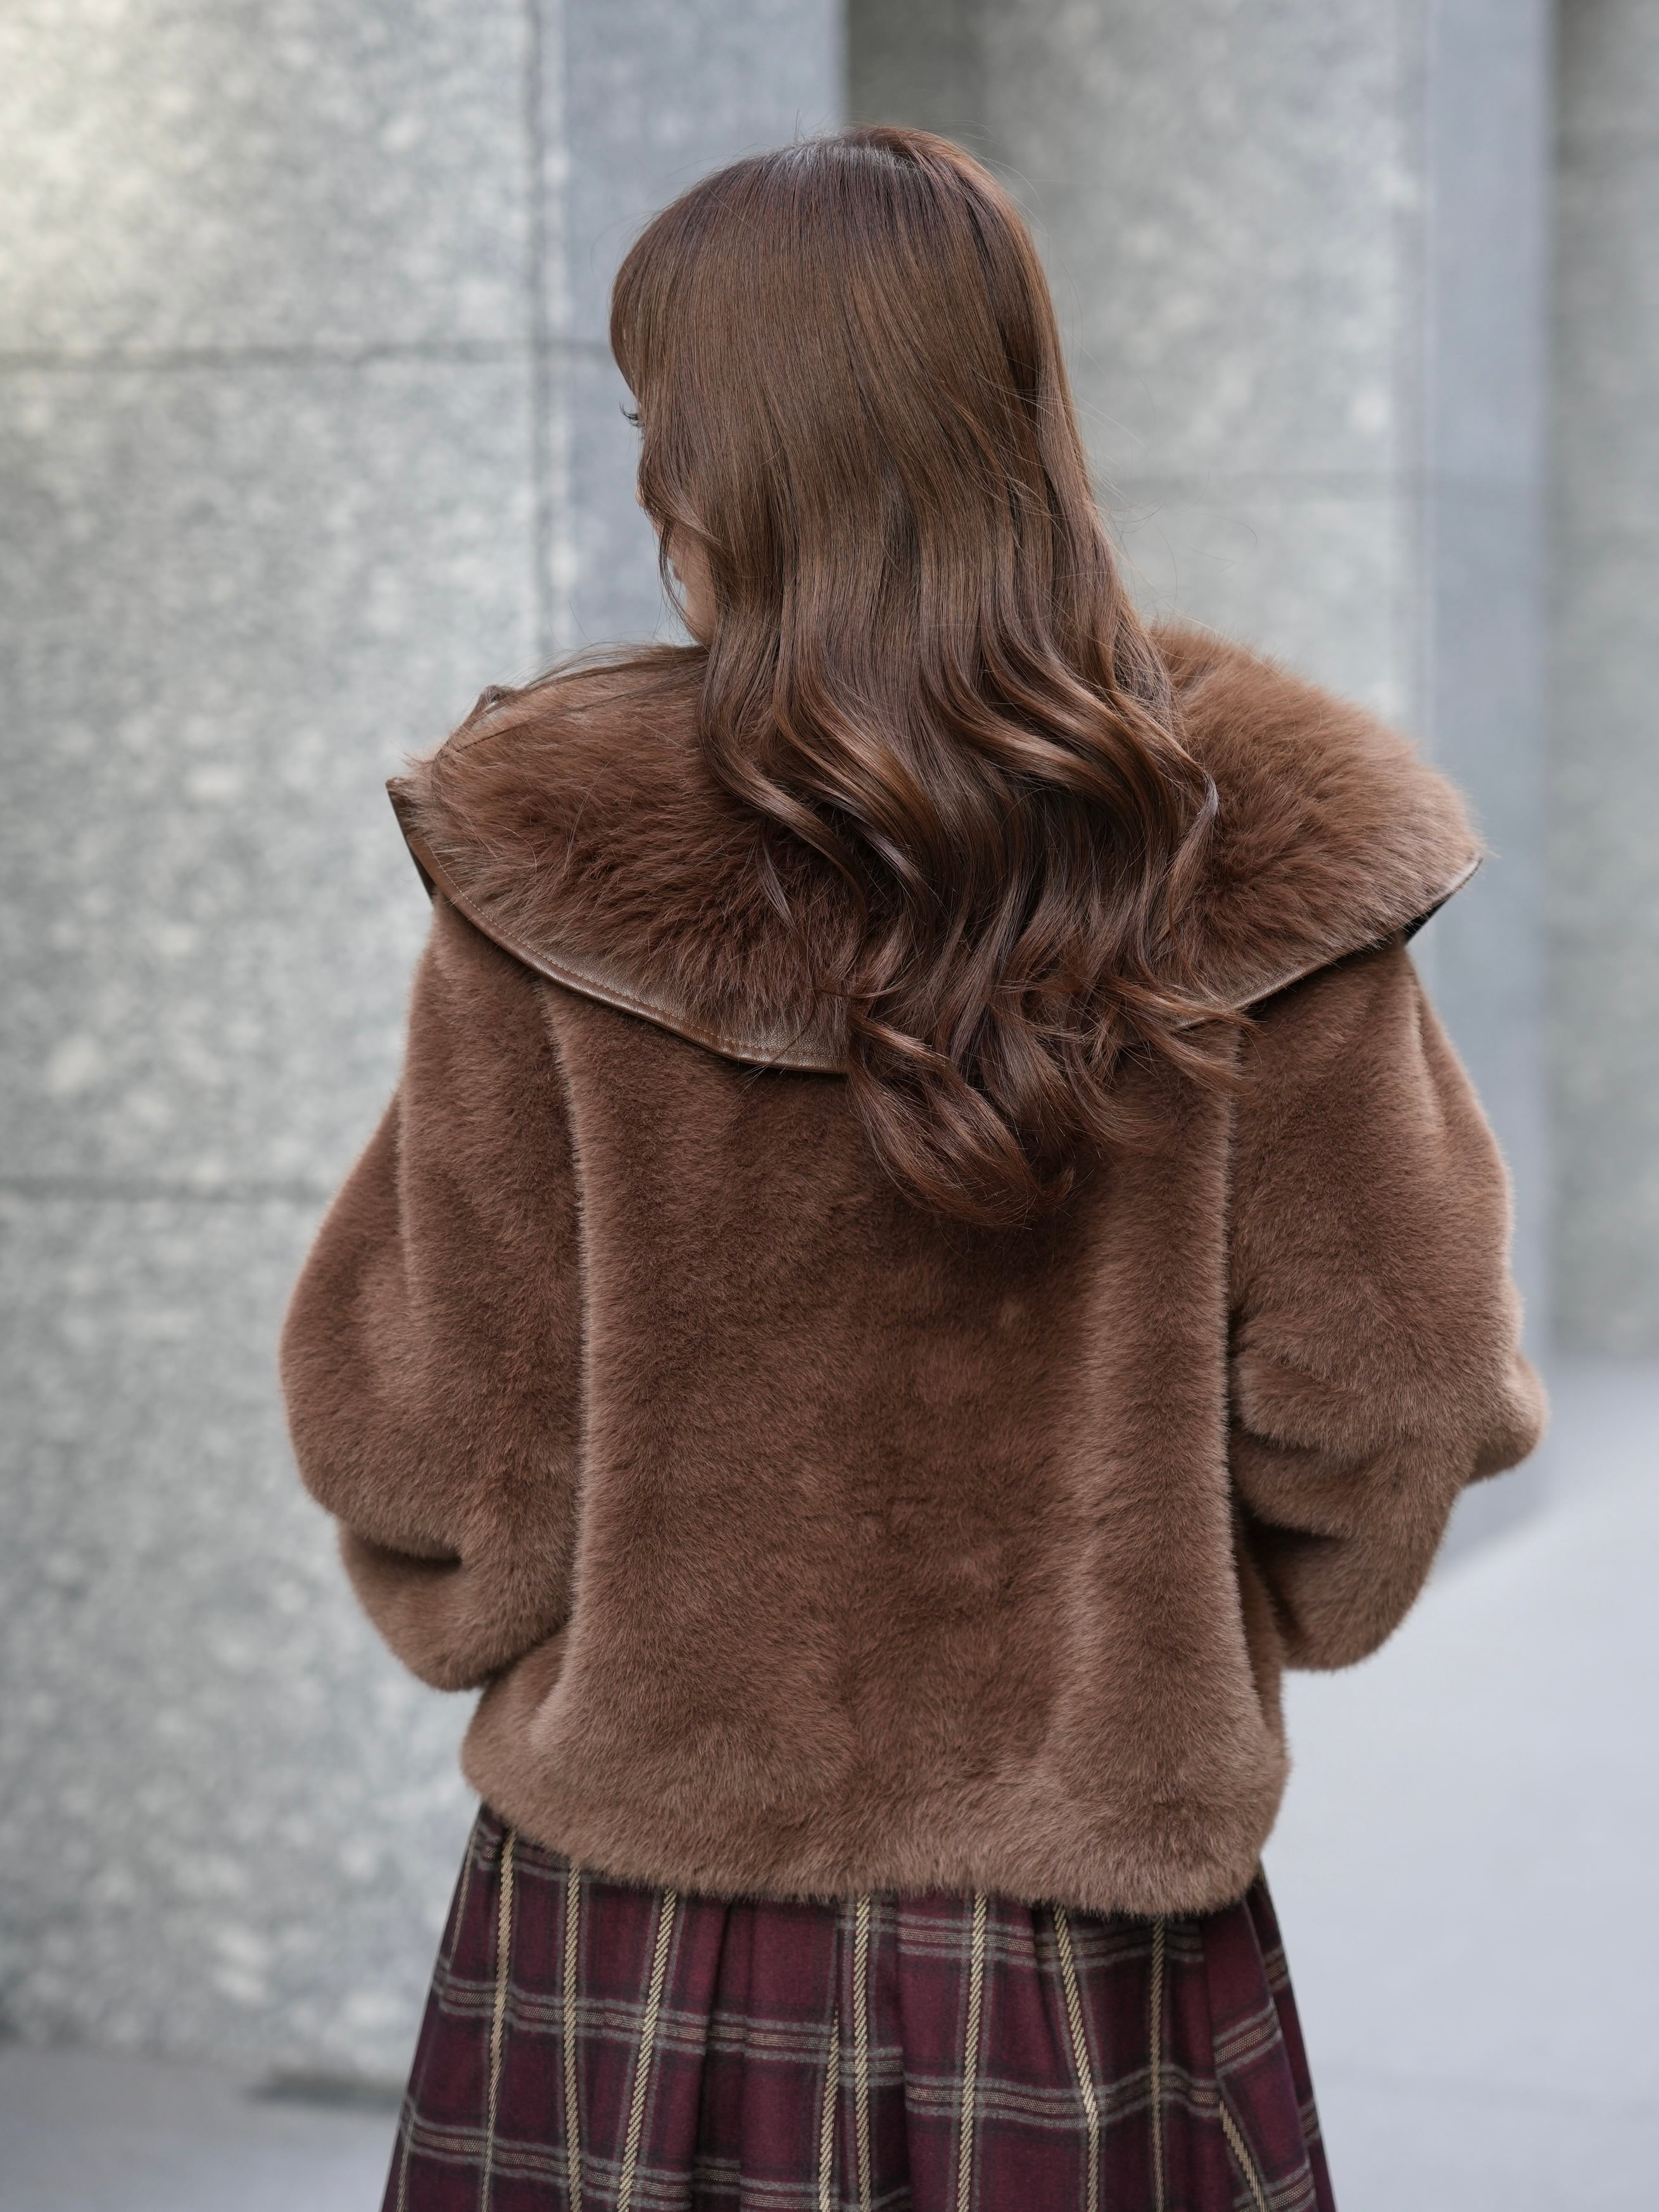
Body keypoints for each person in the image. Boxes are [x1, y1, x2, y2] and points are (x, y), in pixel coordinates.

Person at [281, 127, 1544, 2212]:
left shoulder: (551, 861)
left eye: (655, 414)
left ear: (718, 453)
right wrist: (1184, 1629)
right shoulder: (1257, 851)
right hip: (1082, 1932)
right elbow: (1396, 1388)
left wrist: (544, 1628)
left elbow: (429, 1445)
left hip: (643, 1910)